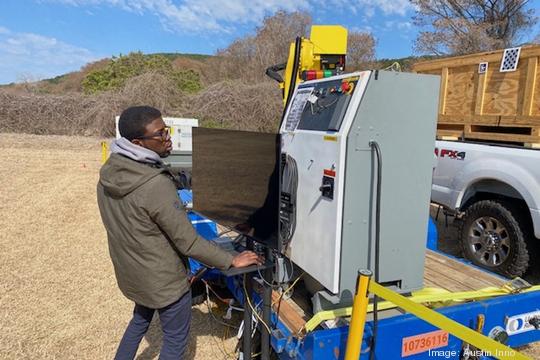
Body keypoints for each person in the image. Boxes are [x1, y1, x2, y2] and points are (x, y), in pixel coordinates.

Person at [97, 106, 262, 360]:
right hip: (163, 280)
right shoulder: (155, 185)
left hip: (134, 272)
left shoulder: (110, 173)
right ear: (138, 143)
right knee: (175, 341)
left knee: (139, 322)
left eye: (167, 130)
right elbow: (188, 242)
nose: (168, 138)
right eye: (160, 134)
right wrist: (231, 260)